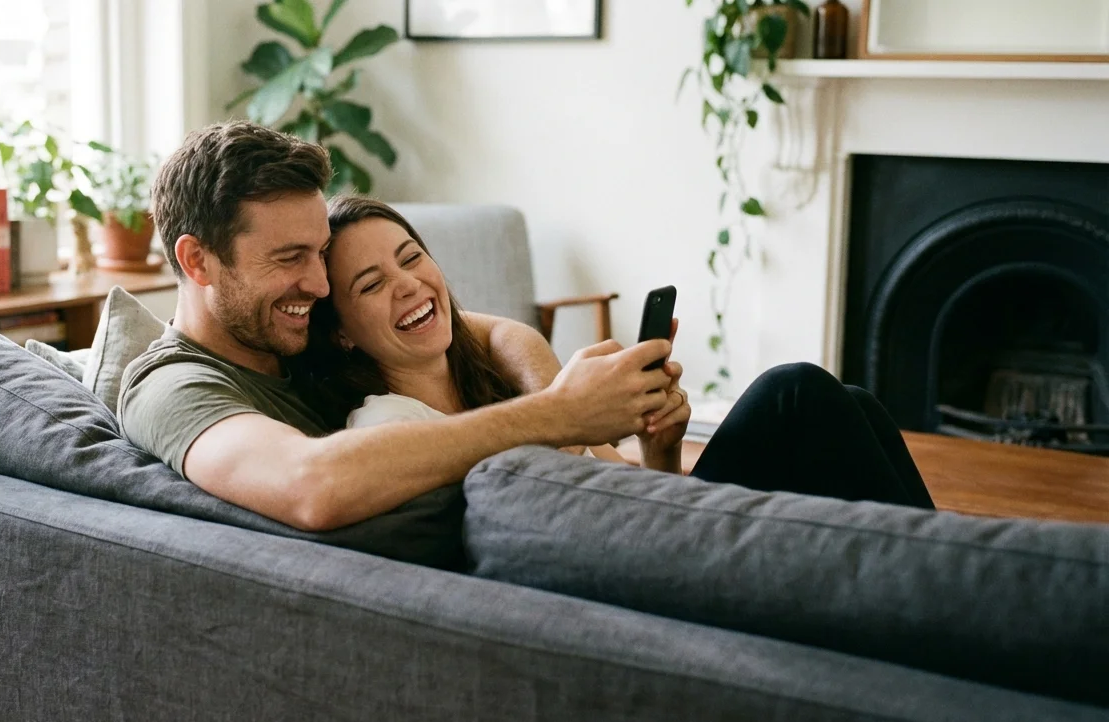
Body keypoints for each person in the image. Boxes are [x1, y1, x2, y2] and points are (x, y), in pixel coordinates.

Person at [119, 121, 682, 532]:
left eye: (320, 253)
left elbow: (485, 331)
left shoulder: (280, 324)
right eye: (290, 258)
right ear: (197, 261)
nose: (318, 285)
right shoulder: (172, 386)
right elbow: (311, 486)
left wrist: (570, 410)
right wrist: (561, 415)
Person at [299, 195, 936, 510]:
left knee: (852, 407)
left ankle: (943, 582)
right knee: (794, 393)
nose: (408, 283)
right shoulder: (389, 425)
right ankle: (955, 587)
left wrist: (658, 445)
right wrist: (562, 420)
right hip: (613, 581)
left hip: (639, 534)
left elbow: (634, 495)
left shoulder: (493, 380)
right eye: (373, 284)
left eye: (411, 258)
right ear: (342, 332)